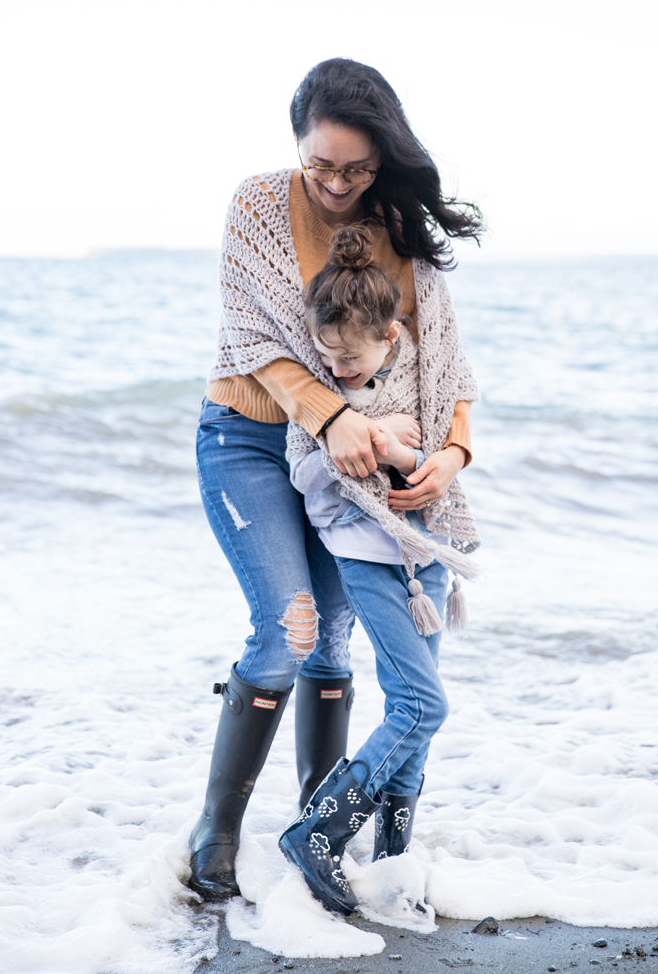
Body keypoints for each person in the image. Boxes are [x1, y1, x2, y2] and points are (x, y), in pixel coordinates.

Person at [189, 57, 483, 902]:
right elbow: (261, 348)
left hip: (358, 463)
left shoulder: (398, 230)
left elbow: (446, 370)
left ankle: (321, 821)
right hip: (250, 436)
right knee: (288, 628)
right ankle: (219, 824)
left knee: (333, 642)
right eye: (322, 164)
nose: (337, 183)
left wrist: (450, 456)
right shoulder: (256, 205)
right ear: (297, 144)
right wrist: (337, 419)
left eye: (357, 168)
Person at [278, 224, 480, 915]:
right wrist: (379, 443)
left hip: (425, 560)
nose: (338, 369)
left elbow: (445, 437)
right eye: (327, 355)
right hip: (366, 559)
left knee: (413, 714)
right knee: (425, 703)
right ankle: (319, 831)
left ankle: (395, 866)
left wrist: (421, 458)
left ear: (391, 335)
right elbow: (305, 471)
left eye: (351, 357)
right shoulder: (320, 400)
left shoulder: (421, 369)